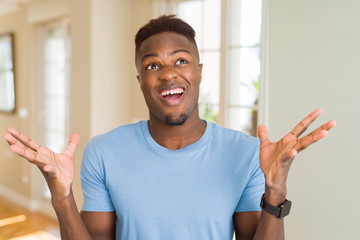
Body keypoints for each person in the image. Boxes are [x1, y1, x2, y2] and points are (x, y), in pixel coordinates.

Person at [3, 15, 336, 240]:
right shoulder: (103, 151)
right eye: (152, 65)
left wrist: (275, 192)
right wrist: (62, 198)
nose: (167, 73)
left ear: (199, 72)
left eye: (181, 60)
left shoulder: (245, 153)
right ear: (141, 81)